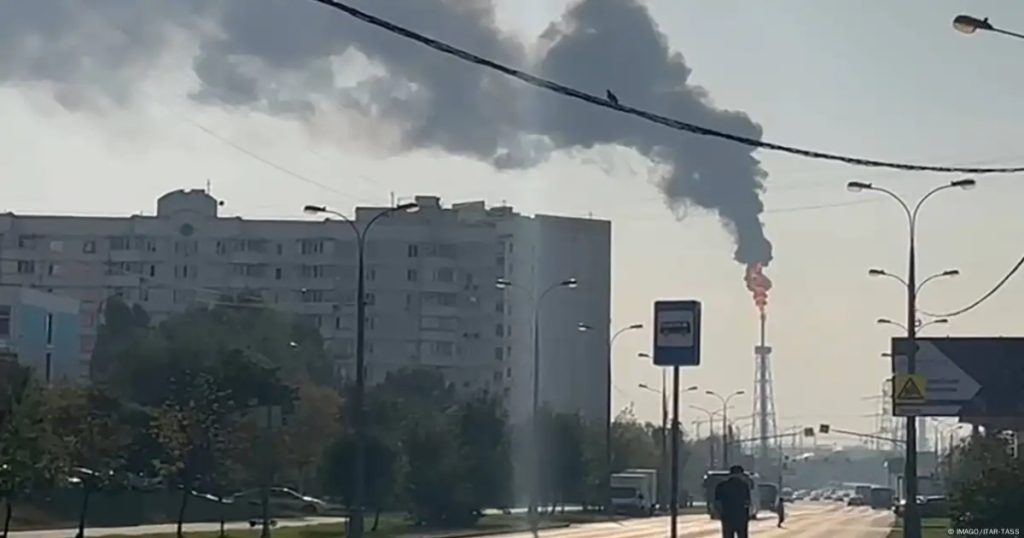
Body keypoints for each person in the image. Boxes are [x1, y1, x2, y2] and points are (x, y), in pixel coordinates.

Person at [714, 465, 751, 538]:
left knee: (728, 535)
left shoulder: (721, 486)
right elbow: (747, 502)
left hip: (727, 516)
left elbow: (717, 502)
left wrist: (720, 513)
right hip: (741, 516)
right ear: (740, 474)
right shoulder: (744, 486)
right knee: (742, 535)